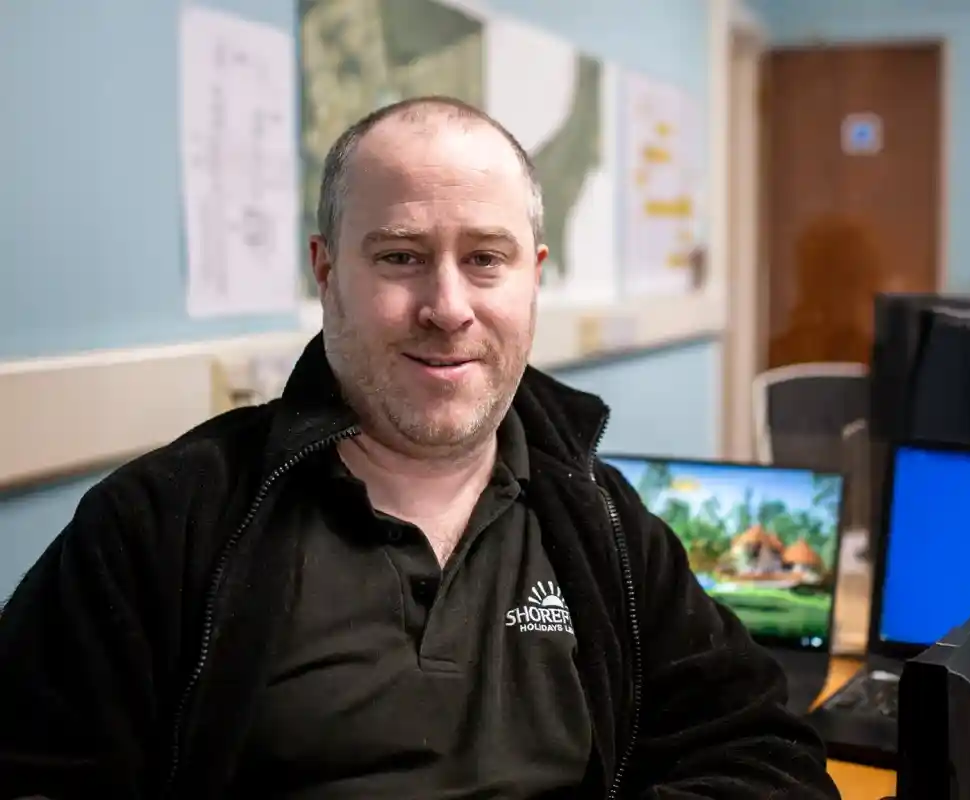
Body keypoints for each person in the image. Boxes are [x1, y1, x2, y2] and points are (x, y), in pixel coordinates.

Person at [0, 97, 840, 800]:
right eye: (401, 256)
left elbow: (768, 758)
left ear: (533, 276)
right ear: (325, 271)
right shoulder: (165, 522)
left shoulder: (599, 519)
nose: (447, 306)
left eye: (485, 259)